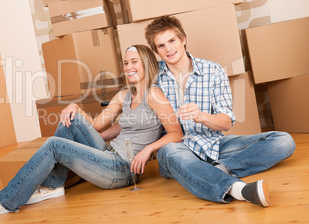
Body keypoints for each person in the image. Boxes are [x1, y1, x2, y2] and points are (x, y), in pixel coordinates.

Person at [0, 44, 184, 220]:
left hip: (123, 168)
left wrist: (148, 150)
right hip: (108, 154)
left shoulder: (154, 95)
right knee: (70, 120)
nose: (128, 67)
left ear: (146, 63)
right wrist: (76, 109)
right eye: (126, 63)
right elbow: (96, 125)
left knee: (54, 145)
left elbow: (176, 133)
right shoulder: (124, 95)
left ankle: (5, 201)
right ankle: (53, 186)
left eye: (134, 62)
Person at [103, 15, 296, 207]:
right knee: (170, 151)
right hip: (176, 149)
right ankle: (237, 189)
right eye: (161, 46)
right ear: (156, 51)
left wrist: (201, 116)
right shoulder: (153, 78)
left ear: (183, 39)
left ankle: (220, 168)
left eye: (172, 40)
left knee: (283, 141)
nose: (169, 49)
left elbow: (226, 122)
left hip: (213, 144)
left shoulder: (213, 71)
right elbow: (133, 116)